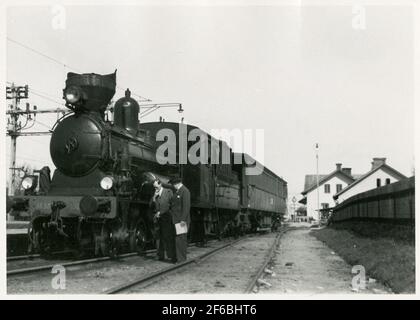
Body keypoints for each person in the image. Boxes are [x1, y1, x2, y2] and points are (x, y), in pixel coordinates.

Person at [151, 179, 175, 262]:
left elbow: (173, 204)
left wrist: (162, 212)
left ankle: (170, 256)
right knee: (159, 237)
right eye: (154, 187)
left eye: (156, 187)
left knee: (167, 236)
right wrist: (154, 198)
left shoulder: (168, 192)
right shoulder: (155, 194)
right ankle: (160, 255)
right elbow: (150, 205)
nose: (155, 189)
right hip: (158, 219)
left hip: (167, 217)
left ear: (160, 184)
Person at [169, 177, 191, 263]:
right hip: (175, 219)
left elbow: (186, 207)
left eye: (173, 184)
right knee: (177, 239)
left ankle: (181, 259)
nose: (173, 186)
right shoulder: (178, 191)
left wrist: (182, 220)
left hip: (181, 220)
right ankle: (177, 258)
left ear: (176, 183)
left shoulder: (185, 191)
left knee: (181, 239)